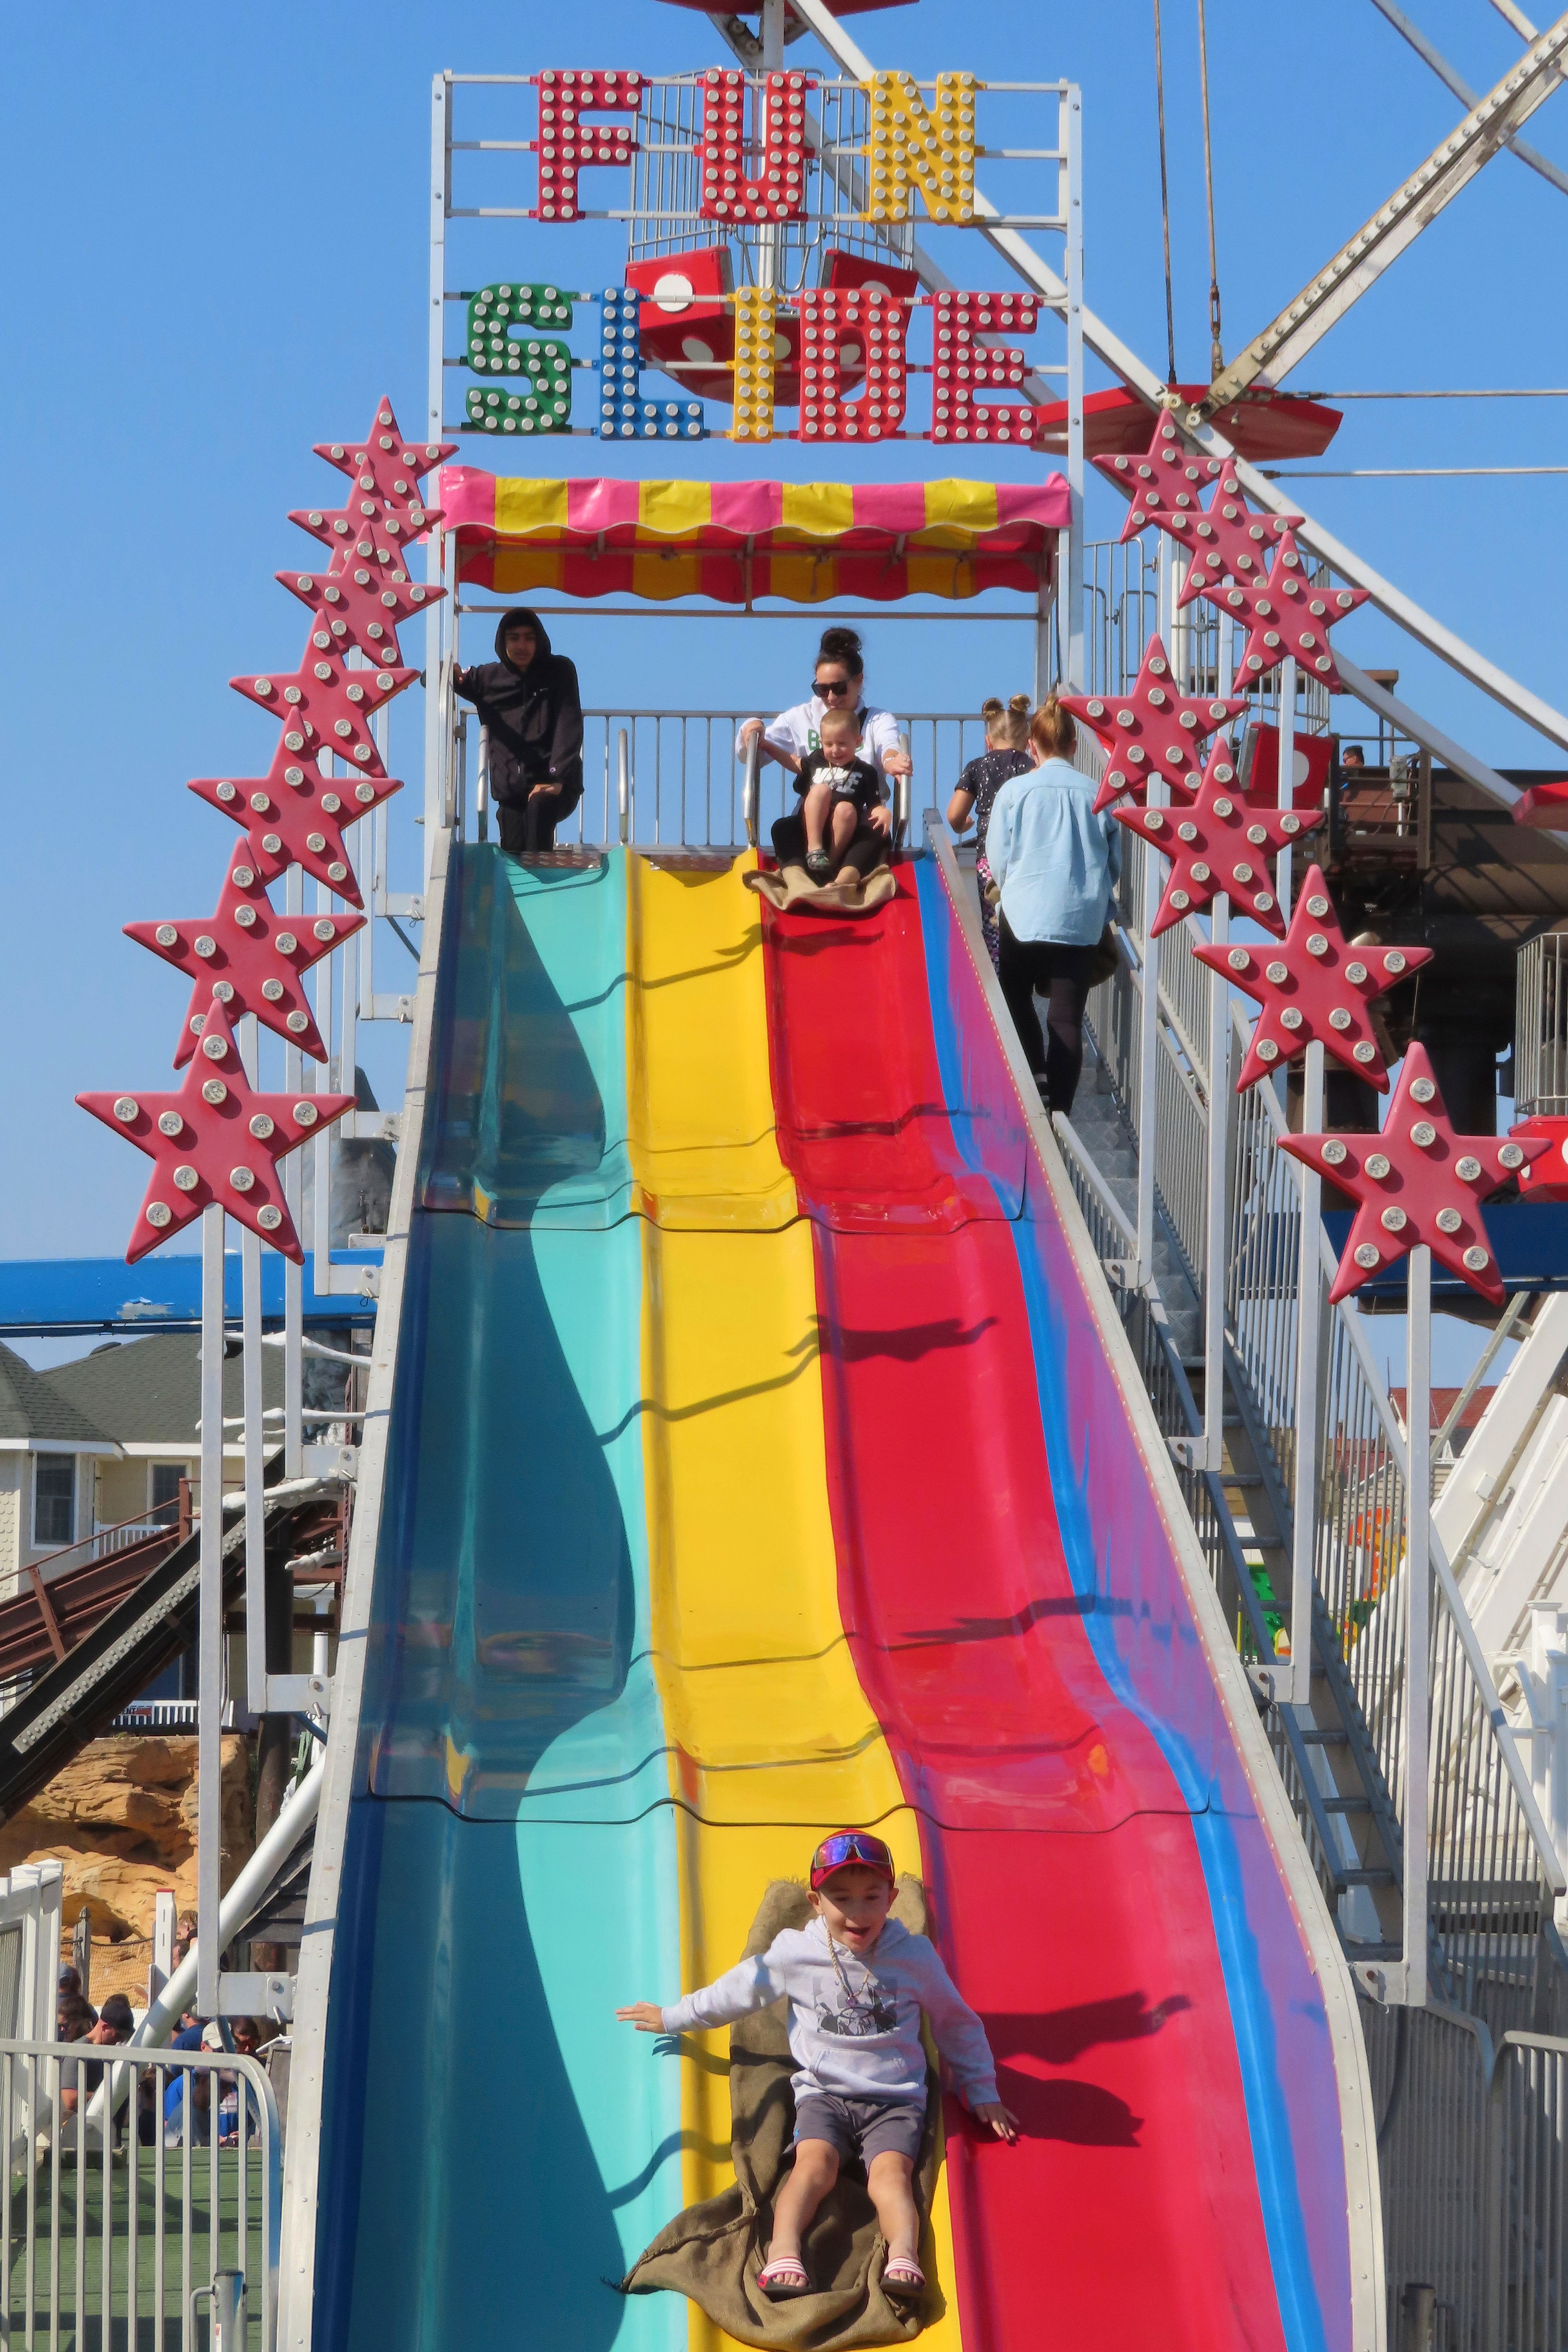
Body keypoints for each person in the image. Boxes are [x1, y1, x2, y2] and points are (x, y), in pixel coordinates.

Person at [617, 1828, 1016, 2304]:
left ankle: (903, 2254)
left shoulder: (914, 1956)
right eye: (840, 1897)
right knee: (813, 2167)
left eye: (872, 1897)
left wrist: (982, 2087)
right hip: (823, 2093)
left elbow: (956, 2022)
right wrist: (674, 2015)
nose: (858, 1911)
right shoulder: (796, 1953)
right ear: (815, 1900)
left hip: (894, 2098)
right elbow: (738, 1990)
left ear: (891, 1898)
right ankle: (784, 2250)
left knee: (890, 2175)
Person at [986, 694, 1121, 1117]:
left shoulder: (1015, 791)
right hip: (1079, 921)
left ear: (1032, 746)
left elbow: (999, 857)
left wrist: (1008, 895)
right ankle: (1061, 1111)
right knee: (1066, 1017)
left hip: (1024, 916)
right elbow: (1112, 864)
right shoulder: (1099, 794)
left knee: (1013, 994)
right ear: (1074, 745)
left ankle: (1037, 1076)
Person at [739, 627, 912, 881]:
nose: (830, 697)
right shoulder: (802, 716)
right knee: (784, 828)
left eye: (839, 688)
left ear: (859, 681)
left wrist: (892, 760)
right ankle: (798, 878)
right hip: (814, 821)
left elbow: (887, 746)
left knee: (874, 832)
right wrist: (752, 729)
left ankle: (844, 880)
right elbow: (756, 754)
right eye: (822, 689)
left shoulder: (877, 719)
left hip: (857, 815)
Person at [454, 606, 584, 854]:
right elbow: (442, 679)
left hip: (555, 784)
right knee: (513, 853)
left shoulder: (560, 671)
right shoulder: (488, 678)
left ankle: (543, 882)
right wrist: (445, 672)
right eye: (514, 638)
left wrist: (557, 778)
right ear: (503, 642)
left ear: (540, 640)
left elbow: (570, 725)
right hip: (511, 791)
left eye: (529, 638)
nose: (522, 645)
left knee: (539, 810)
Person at [947, 694, 1034, 969]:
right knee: (1022, 912)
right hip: (1023, 855)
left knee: (991, 915)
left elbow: (954, 815)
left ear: (988, 740)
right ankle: (1025, 964)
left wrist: (964, 826)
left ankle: (996, 968)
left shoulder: (977, 767)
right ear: (1028, 742)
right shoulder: (1028, 766)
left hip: (988, 855)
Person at [796, 706, 884, 880]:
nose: (835, 750)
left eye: (842, 744)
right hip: (816, 821)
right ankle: (814, 850)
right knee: (820, 789)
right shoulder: (817, 760)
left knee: (846, 808)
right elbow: (796, 767)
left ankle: (832, 863)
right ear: (822, 742)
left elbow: (874, 804)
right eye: (829, 744)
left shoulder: (866, 772)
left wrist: (883, 811)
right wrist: (767, 746)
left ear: (858, 742)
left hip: (845, 826)